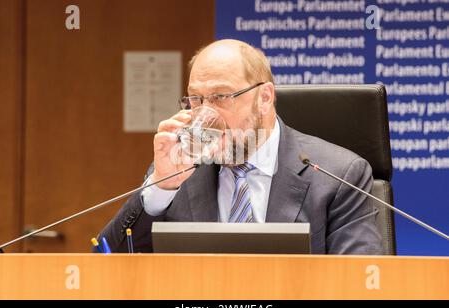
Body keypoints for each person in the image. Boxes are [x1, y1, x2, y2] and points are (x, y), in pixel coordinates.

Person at [97, 39, 383, 254]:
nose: (205, 114)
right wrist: (160, 186)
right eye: (195, 99)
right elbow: (108, 260)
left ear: (265, 98)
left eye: (221, 96)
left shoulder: (339, 175)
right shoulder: (178, 172)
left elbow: (358, 282)